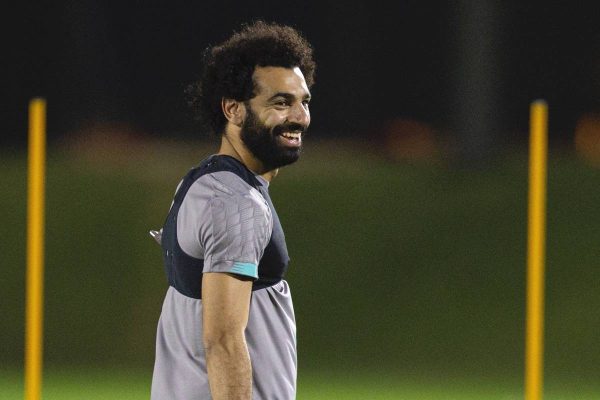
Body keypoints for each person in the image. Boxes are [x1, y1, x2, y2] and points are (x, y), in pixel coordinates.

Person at [150, 21, 316, 400]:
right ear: (233, 109)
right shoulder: (235, 204)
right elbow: (223, 342)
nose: (299, 117)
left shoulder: (206, 184)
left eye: (303, 101)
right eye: (280, 102)